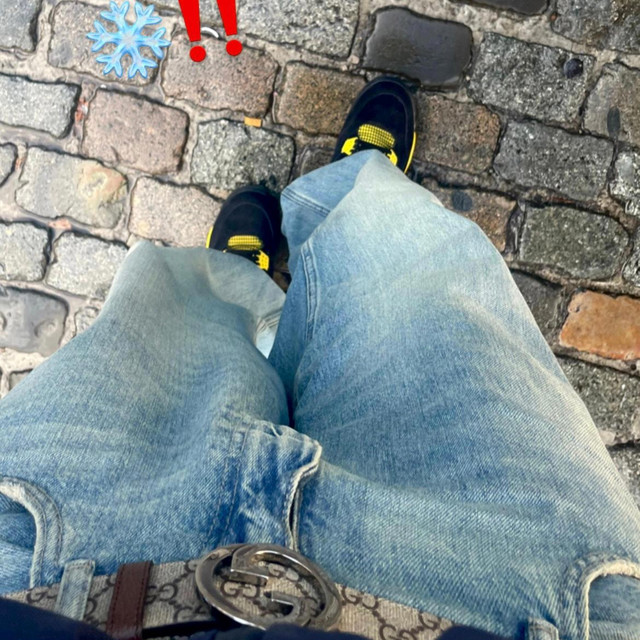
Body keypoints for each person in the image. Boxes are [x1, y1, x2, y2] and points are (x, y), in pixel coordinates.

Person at [0, 76, 639, 640]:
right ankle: (354, 196)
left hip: (55, 585)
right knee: (415, 281)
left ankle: (239, 279)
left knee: (172, 321)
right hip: (509, 601)